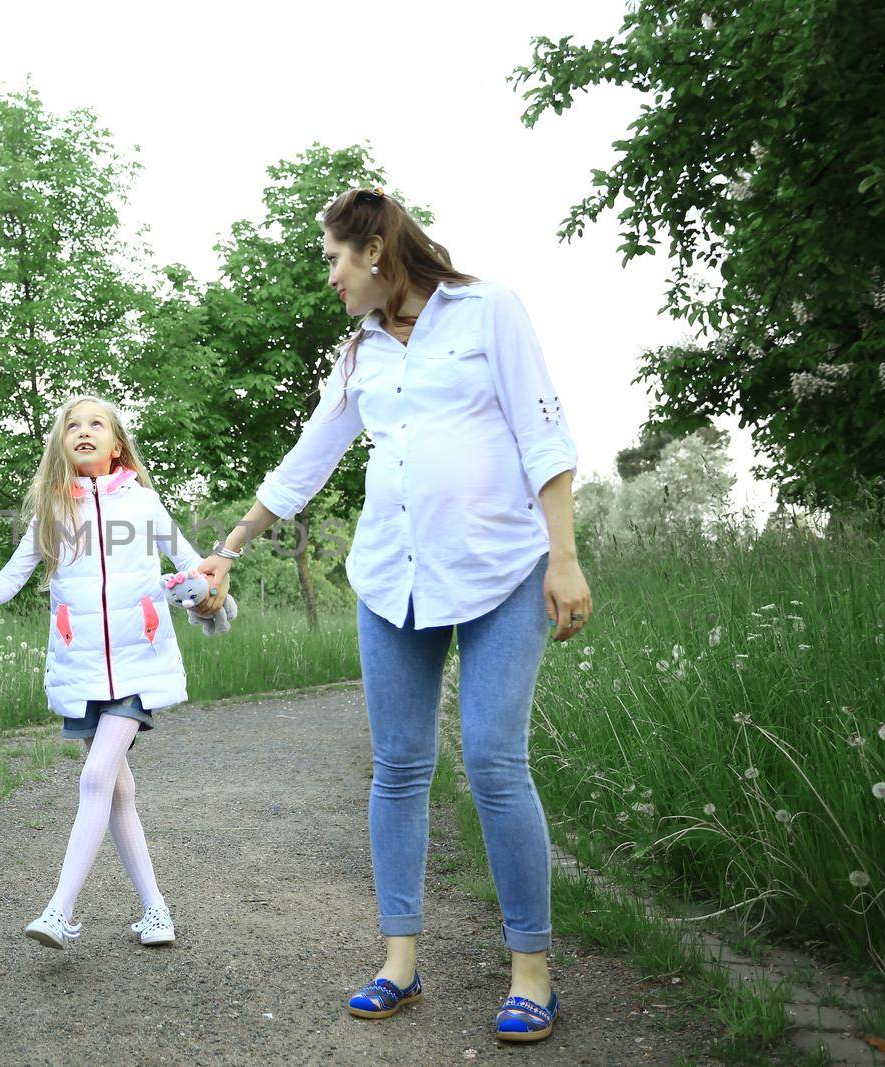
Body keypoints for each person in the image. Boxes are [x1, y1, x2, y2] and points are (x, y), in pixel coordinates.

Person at [196, 187, 592, 1043]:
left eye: (336, 258)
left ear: (375, 250)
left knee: (494, 759)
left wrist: (563, 555)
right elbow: (309, 455)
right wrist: (229, 546)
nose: (331, 277)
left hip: (503, 570)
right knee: (399, 768)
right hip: (393, 580)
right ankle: (399, 962)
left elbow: (543, 431)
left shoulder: (488, 310)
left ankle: (532, 971)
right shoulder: (359, 355)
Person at [0, 395, 210, 951]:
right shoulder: (51, 513)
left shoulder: (146, 505)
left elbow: (194, 568)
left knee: (93, 778)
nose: (83, 432)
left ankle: (59, 910)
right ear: (61, 444)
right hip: (82, 666)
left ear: (117, 444)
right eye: (72, 426)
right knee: (117, 792)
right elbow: (12, 576)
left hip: (137, 661)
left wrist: (193, 592)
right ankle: (156, 911)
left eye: (96, 425)